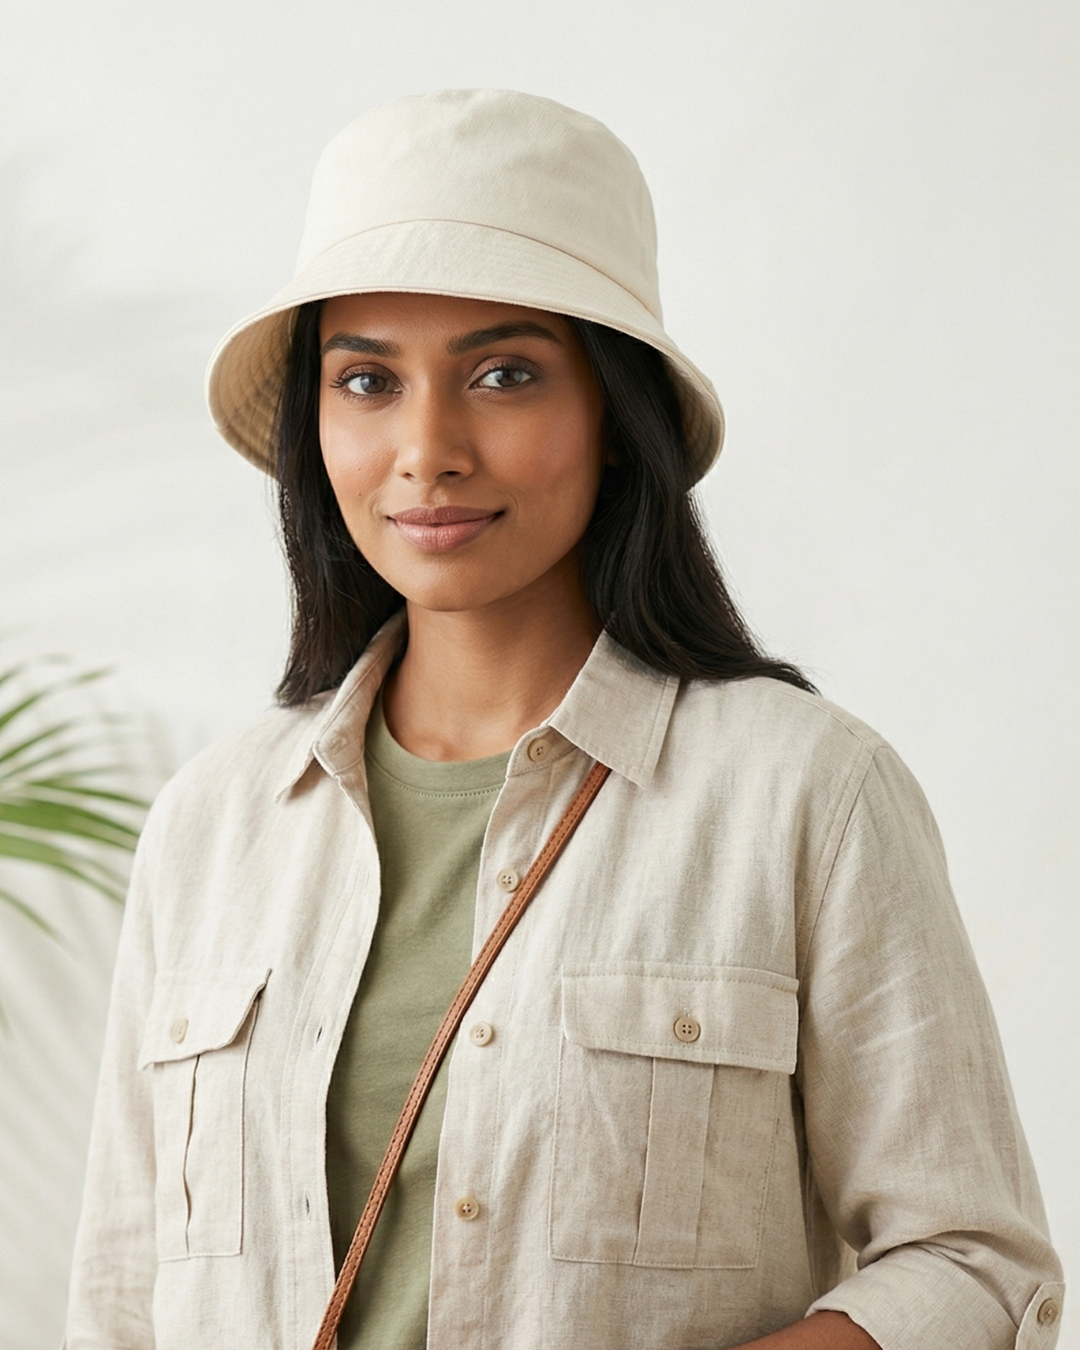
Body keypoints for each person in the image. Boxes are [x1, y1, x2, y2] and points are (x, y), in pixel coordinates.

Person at [65, 90, 1063, 1350]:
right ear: (315, 428)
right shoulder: (212, 826)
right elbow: (114, 1302)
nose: (427, 448)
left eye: (505, 373)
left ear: (614, 414)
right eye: (366, 379)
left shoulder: (806, 793)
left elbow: (975, 1261)